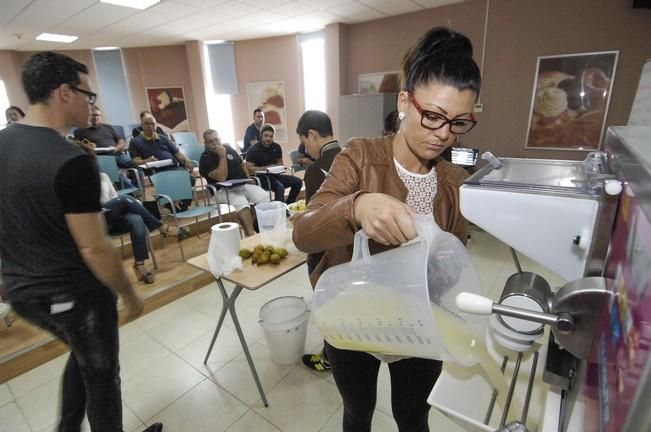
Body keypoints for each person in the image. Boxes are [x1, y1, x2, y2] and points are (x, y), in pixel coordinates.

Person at [292, 27, 480, 432]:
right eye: (432, 115)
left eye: (459, 122)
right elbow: (304, 233)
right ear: (403, 102)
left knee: (412, 416)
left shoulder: (453, 182)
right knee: (358, 412)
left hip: (419, 325)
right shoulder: (359, 157)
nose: (444, 133)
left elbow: (455, 261)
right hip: (352, 319)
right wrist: (356, 205)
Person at [0, 51, 162, 432]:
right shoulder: (70, 160)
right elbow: (95, 247)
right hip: (75, 297)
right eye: (87, 94)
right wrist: (129, 293)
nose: (92, 103)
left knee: (84, 357)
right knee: (103, 377)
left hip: (24, 294)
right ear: (63, 93)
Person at [75, 138, 187, 284]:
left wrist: (114, 206)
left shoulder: (102, 177)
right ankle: (162, 227)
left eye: (89, 159)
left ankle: (139, 266)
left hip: (110, 218)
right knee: (125, 200)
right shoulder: (72, 183)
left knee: (136, 219)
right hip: (92, 224)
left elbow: (113, 199)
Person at [295, 110, 342, 372]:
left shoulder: (315, 170)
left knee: (327, 306)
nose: (306, 149)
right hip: (353, 248)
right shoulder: (353, 156)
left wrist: (301, 219)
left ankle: (329, 357)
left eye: (305, 141)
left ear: (312, 134)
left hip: (327, 253)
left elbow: (316, 221)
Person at [199, 129, 269, 236]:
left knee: (264, 196)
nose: (215, 143)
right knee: (241, 202)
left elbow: (242, 164)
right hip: (221, 190)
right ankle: (251, 234)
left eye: (216, 139)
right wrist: (222, 156)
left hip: (241, 184)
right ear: (205, 144)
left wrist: (248, 178)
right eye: (210, 141)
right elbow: (221, 177)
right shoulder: (205, 159)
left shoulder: (228, 148)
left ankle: (252, 224)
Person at [129, 112, 195, 210]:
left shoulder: (164, 138)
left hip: (173, 167)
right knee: (169, 182)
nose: (151, 126)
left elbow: (177, 154)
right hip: (156, 171)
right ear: (142, 125)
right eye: (147, 123)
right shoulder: (135, 142)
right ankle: (168, 204)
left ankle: (183, 204)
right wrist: (147, 160)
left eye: (153, 124)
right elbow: (135, 161)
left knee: (190, 179)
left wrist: (187, 160)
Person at [245, 123, 303, 204]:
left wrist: (275, 167)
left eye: (271, 136)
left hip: (275, 175)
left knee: (298, 182)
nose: (268, 139)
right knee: (280, 187)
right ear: (261, 135)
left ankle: (288, 205)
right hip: (261, 178)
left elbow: (280, 163)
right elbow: (248, 168)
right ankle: (279, 212)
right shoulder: (253, 150)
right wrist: (266, 168)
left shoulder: (276, 147)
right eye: (266, 136)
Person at [74, 106, 135, 170]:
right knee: (116, 173)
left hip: (116, 154)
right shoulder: (81, 130)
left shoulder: (108, 127)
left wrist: (116, 148)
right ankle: (125, 178)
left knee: (138, 165)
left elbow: (121, 141)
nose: (96, 117)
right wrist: (86, 146)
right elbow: (75, 143)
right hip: (101, 157)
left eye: (98, 115)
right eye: (93, 115)